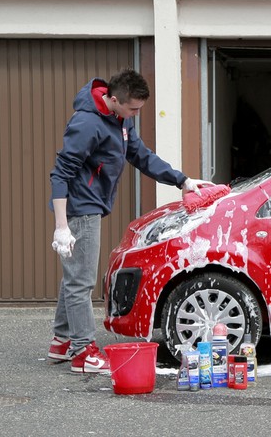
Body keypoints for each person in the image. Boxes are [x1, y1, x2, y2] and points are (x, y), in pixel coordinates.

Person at [48, 69, 212, 373]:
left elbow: (141, 155)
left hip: (91, 205)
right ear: (113, 99)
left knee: (76, 275)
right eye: (133, 108)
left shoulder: (120, 120)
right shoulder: (86, 124)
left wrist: (182, 180)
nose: (136, 114)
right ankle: (82, 351)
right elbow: (61, 173)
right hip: (79, 209)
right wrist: (61, 226)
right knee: (81, 281)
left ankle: (61, 340)